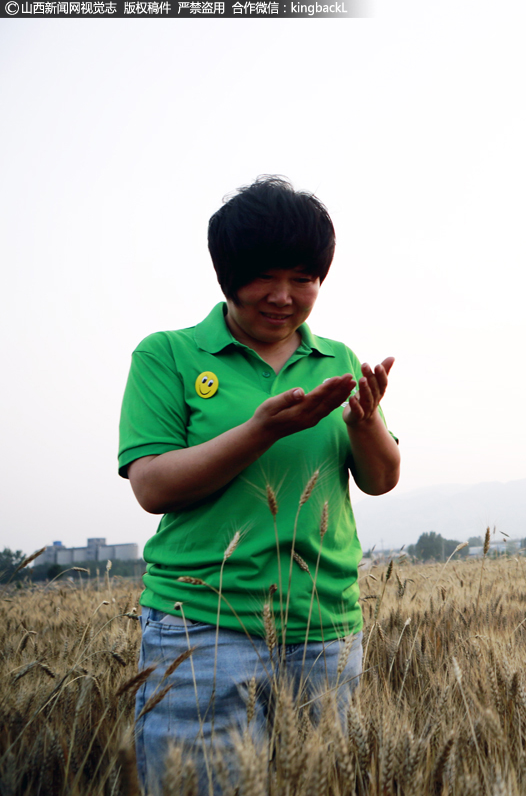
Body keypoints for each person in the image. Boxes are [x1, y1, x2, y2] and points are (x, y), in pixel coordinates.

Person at [118, 175, 400, 793]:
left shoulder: (340, 361)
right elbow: (152, 486)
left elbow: (381, 479)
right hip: (203, 629)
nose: (283, 295)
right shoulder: (168, 355)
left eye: (304, 278)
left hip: (323, 629)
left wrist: (368, 420)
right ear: (227, 275)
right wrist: (260, 431)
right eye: (264, 277)